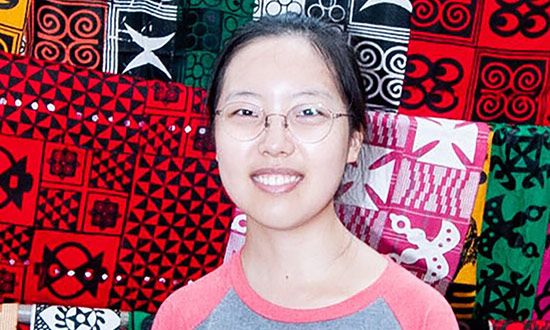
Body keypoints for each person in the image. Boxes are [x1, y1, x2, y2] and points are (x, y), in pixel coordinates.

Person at [152, 14, 459, 329]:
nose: (274, 143)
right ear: (214, 135)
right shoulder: (183, 316)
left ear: (354, 139)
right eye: (245, 111)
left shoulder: (419, 316)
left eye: (308, 112)